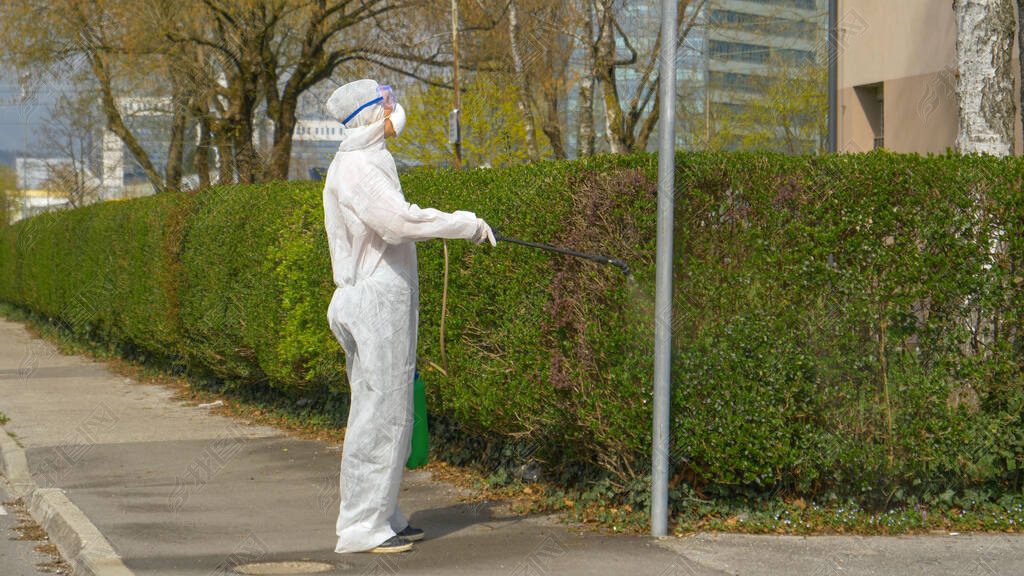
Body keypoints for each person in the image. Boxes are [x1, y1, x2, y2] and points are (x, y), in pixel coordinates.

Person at [322, 79, 496, 554]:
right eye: (386, 103)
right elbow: (397, 222)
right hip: (374, 304)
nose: (395, 109)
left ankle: (383, 511)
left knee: (390, 409)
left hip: (381, 304)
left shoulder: (367, 158)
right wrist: (465, 224)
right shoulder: (358, 166)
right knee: (379, 413)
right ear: (369, 114)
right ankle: (361, 526)